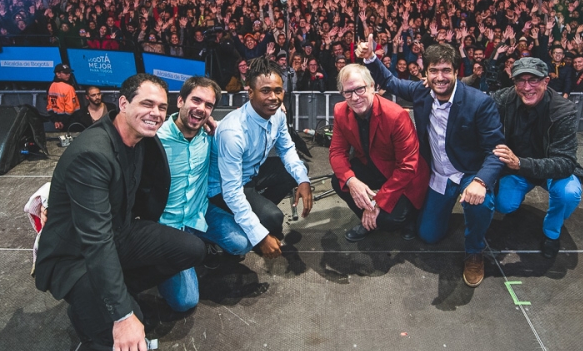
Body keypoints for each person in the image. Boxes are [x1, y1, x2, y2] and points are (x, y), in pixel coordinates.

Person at [34, 73, 206, 351]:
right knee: (126, 327)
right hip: (77, 255)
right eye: (147, 104)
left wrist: (208, 124)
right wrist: (123, 314)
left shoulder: (142, 137)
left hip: (121, 233)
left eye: (162, 107)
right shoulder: (92, 153)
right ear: (124, 103)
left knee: (192, 249)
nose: (156, 113)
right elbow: (96, 241)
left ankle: (118, 289)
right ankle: (90, 311)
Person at [356, 35, 504, 288]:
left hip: (470, 172)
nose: (439, 77)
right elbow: (390, 81)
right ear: (425, 73)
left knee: (479, 204)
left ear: (456, 72)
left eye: (446, 70)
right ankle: (446, 213)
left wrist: (480, 180)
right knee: (428, 235)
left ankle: (475, 251)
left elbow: (496, 150)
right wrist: (371, 58)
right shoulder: (422, 91)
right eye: (433, 71)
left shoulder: (479, 102)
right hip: (439, 175)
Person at [155, 77, 251, 312]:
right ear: (180, 101)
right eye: (196, 100)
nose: (201, 108)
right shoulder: (156, 138)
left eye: (208, 105)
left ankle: (203, 245)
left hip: (200, 214)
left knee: (242, 243)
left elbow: (241, 158)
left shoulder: (209, 137)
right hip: (167, 226)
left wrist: (220, 131)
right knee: (185, 302)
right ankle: (157, 265)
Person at [209, 57, 313, 259]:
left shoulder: (278, 116)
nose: (273, 97)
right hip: (223, 188)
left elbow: (287, 149)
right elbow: (231, 191)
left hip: (251, 175)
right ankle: (246, 224)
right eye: (265, 91)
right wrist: (260, 236)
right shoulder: (233, 132)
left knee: (301, 169)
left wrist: (303, 180)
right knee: (274, 219)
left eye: (278, 90)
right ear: (250, 93)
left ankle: (254, 213)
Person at [490, 58, 583, 259]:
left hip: (549, 170)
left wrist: (521, 163)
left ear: (546, 81)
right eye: (520, 80)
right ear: (513, 82)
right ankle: (516, 200)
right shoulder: (503, 99)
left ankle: (552, 233)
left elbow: (566, 163)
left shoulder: (563, 110)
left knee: (569, 193)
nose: (527, 87)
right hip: (516, 170)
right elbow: (473, 101)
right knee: (503, 205)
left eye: (533, 80)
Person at [329, 64, 429, 242]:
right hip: (374, 166)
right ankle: (368, 219)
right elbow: (337, 152)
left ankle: (409, 217)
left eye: (360, 89)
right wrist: (352, 181)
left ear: (372, 86)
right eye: (348, 92)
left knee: (389, 221)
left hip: (404, 176)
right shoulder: (340, 111)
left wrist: (378, 203)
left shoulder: (396, 115)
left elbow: (407, 166)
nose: (355, 97)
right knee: (340, 180)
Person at [47, 63, 80, 130]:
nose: (68, 75)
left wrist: (55, 121)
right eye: (65, 73)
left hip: (57, 119)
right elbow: (70, 109)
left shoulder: (51, 86)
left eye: (69, 72)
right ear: (58, 74)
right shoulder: (69, 88)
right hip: (70, 119)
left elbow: (49, 106)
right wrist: (63, 122)